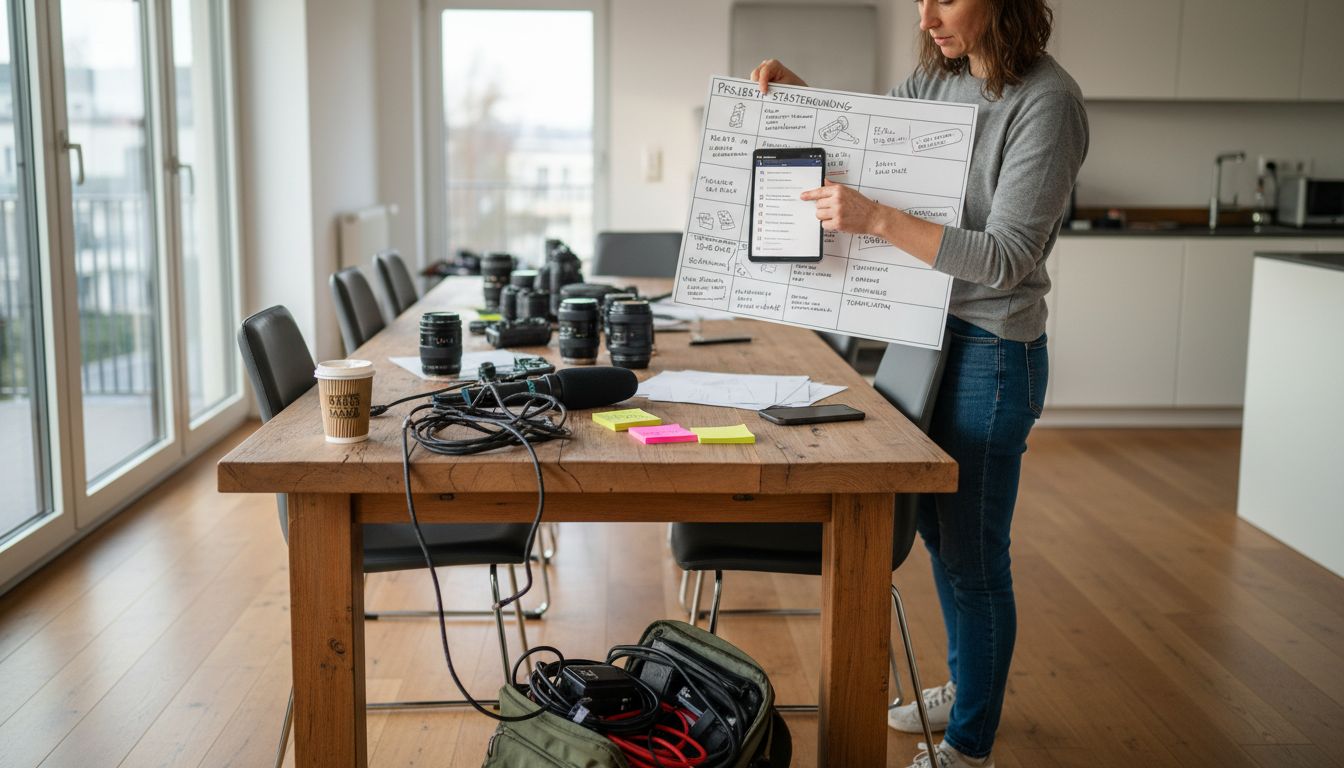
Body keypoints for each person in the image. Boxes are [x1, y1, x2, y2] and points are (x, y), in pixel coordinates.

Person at [753, 1, 1087, 767]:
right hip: (925, 336)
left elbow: (1004, 256)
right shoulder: (938, 81)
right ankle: (968, 684)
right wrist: (795, 93)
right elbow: (863, 135)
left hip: (991, 351)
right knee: (938, 535)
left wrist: (874, 220)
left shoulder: (1048, 103)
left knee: (973, 554)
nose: (926, 12)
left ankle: (970, 744)